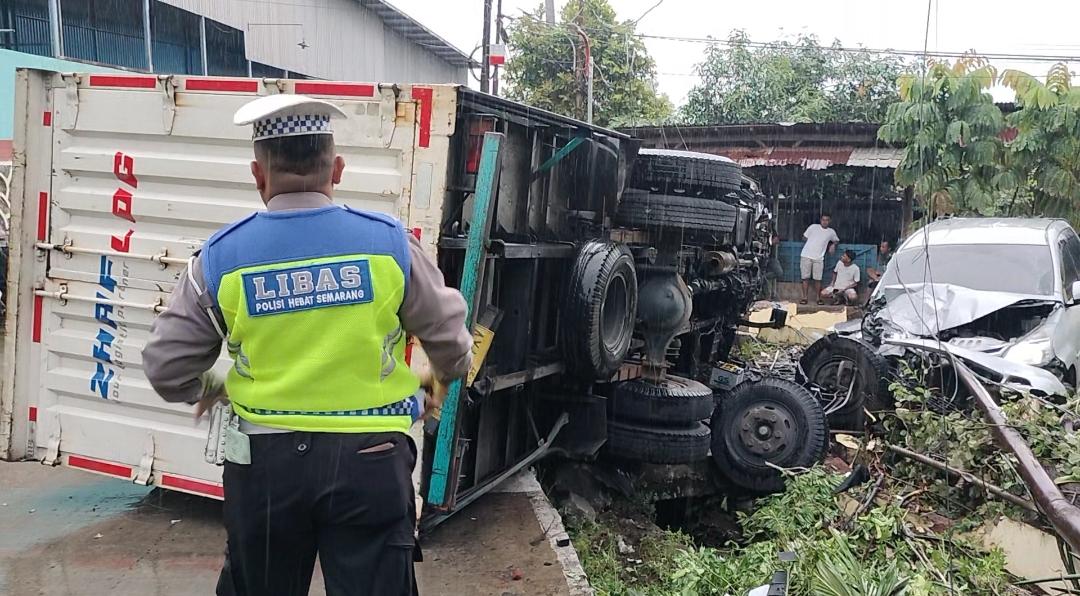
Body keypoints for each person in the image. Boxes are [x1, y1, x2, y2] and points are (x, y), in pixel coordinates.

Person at [141, 94, 473, 596]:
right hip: (371, 458)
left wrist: (217, 387)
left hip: (263, 467)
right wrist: (432, 386)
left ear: (259, 175)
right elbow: (452, 343)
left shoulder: (220, 258)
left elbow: (166, 368)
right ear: (336, 169)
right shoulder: (389, 245)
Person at [800, 213, 840, 305]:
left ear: (830, 221)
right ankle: (804, 298)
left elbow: (836, 240)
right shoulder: (813, 227)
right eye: (823, 220)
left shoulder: (831, 232)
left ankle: (818, 298)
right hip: (806, 255)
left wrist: (833, 245)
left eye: (827, 220)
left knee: (818, 279)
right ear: (820, 220)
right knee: (805, 278)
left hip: (819, 258)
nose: (825, 222)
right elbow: (804, 238)